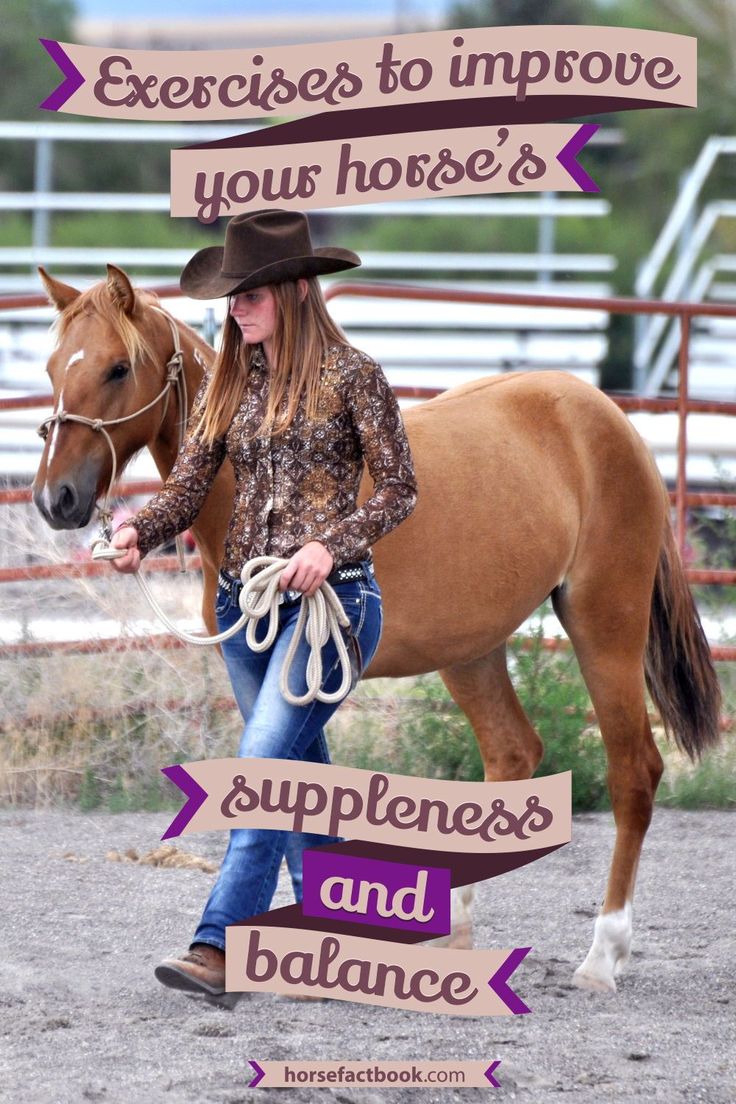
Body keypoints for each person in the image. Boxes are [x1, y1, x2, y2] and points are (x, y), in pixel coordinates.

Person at [108, 208, 418, 1002]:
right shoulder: (230, 379)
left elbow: (399, 491)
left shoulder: (355, 376)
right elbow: (191, 481)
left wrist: (330, 546)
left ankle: (217, 947)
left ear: (291, 290)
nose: (233, 309)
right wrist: (141, 527)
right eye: (228, 297)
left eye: (247, 294)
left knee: (260, 776)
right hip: (245, 614)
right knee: (295, 780)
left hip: (334, 608)